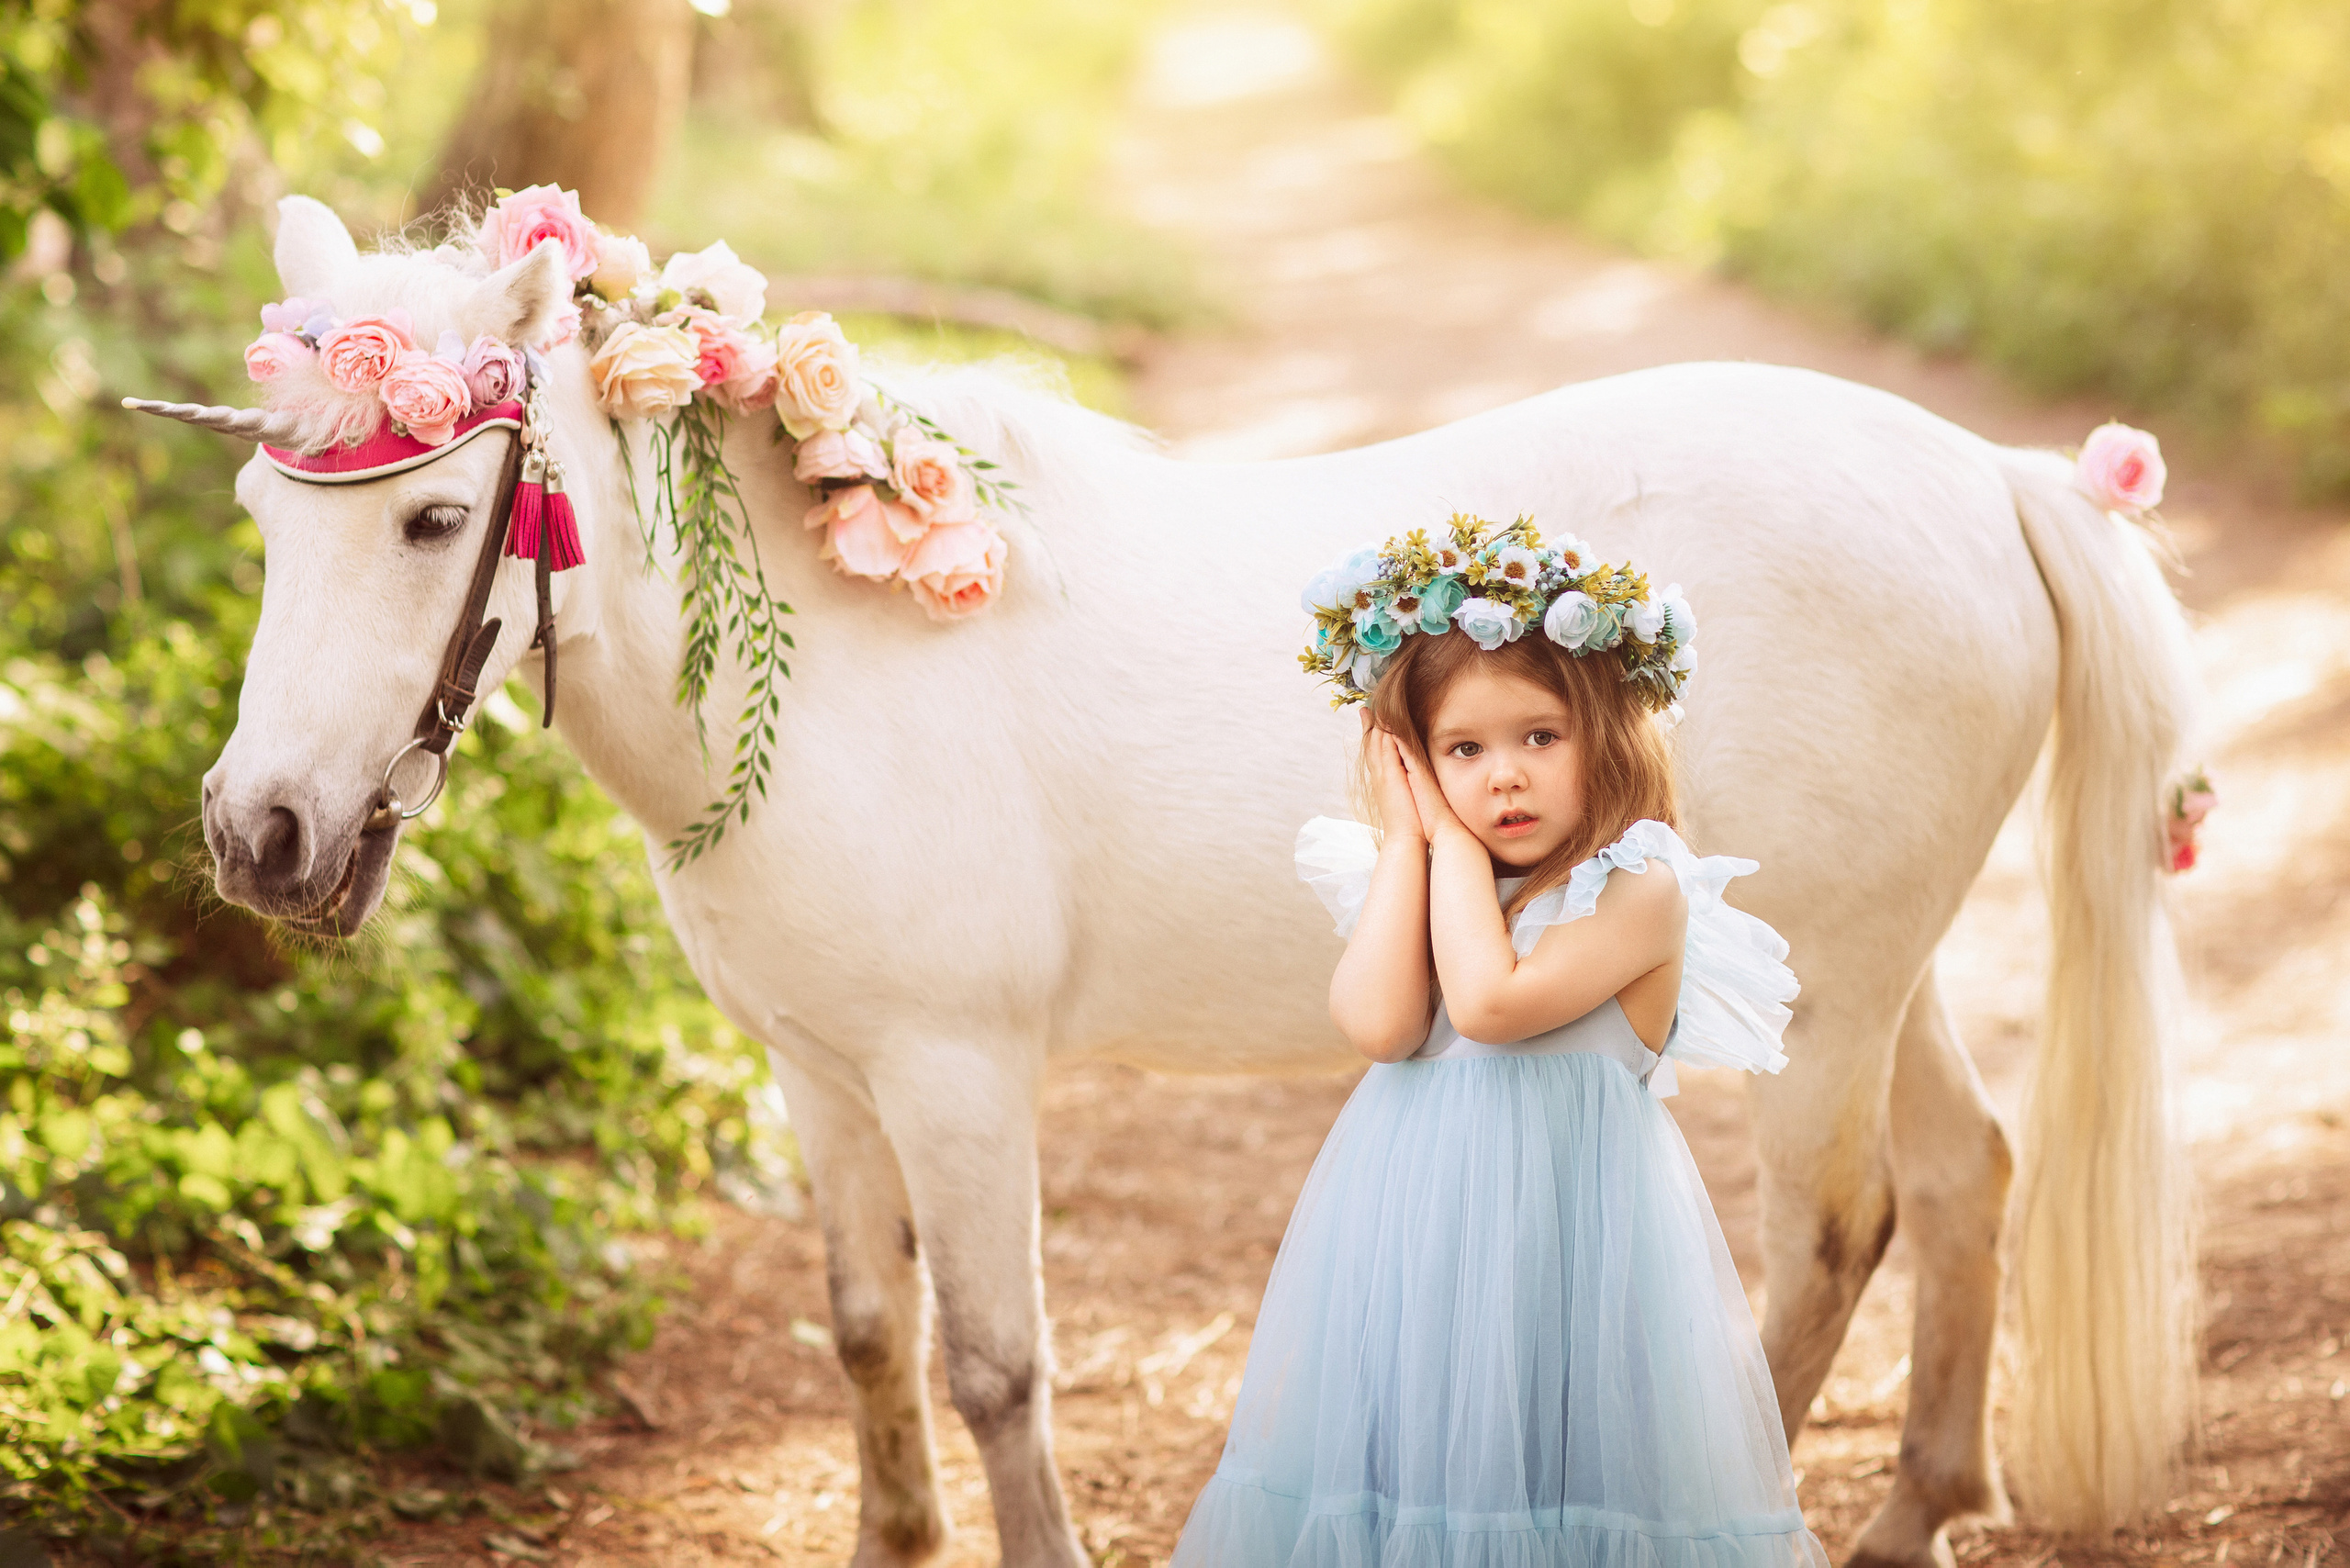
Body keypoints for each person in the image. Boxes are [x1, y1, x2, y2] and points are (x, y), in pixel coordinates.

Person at [1169, 515, 1828, 1566]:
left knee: (1557, 1492)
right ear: (1415, 762)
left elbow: (1486, 1002)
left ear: (1605, 734)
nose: (1503, 778)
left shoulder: (1638, 890)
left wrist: (1444, 845)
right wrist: (1408, 844)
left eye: (1539, 737)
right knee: (1417, 1479)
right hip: (1419, 1258)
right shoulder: (1434, 882)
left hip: (1571, 1264)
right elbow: (1383, 1025)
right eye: (1461, 751)